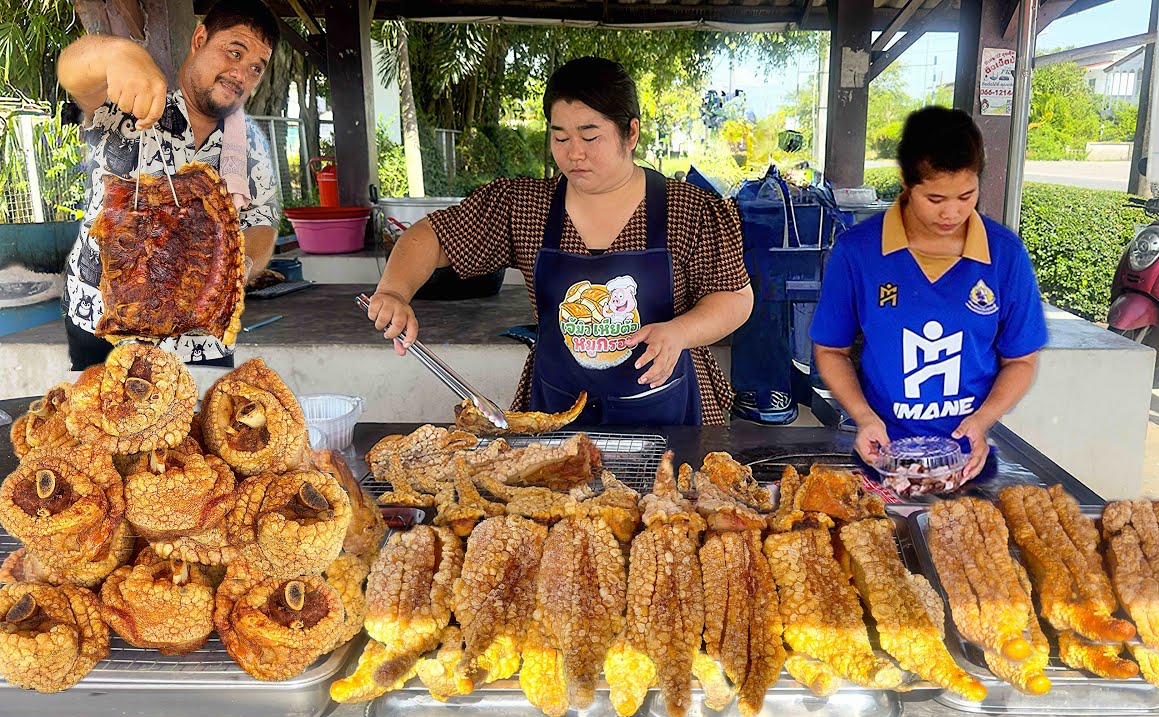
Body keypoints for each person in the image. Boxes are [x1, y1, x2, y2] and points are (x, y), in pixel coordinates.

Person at [366, 57, 753, 426]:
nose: (573, 153)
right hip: (557, 408)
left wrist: (680, 332)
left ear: (630, 133)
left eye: (590, 136)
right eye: (560, 137)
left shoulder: (688, 209)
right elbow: (431, 235)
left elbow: (735, 298)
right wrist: (395, 292)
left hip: (668, 406)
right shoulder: (524, 206)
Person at [810, 106, 1048, 480]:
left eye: (966, 196)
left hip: (970, 460)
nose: (952, 213)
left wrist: (982, 421)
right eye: (935, 199)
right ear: (906, 181)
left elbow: (1021, 360)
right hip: (880, 455)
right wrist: (862, 415)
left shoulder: (1005, 255)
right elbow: (830, 350)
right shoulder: (858, 252)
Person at [56, 0, 281, 370]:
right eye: (234, 52)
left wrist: (232, 270)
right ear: (200, 38)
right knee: (101, 424)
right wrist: (118, 54)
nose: (241, 73)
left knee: (200, 426)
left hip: (201, 339)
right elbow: (74, 71)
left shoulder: (251, 143)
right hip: (103, 329)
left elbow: (262, 222)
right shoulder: (127, 105)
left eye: (255, 68)